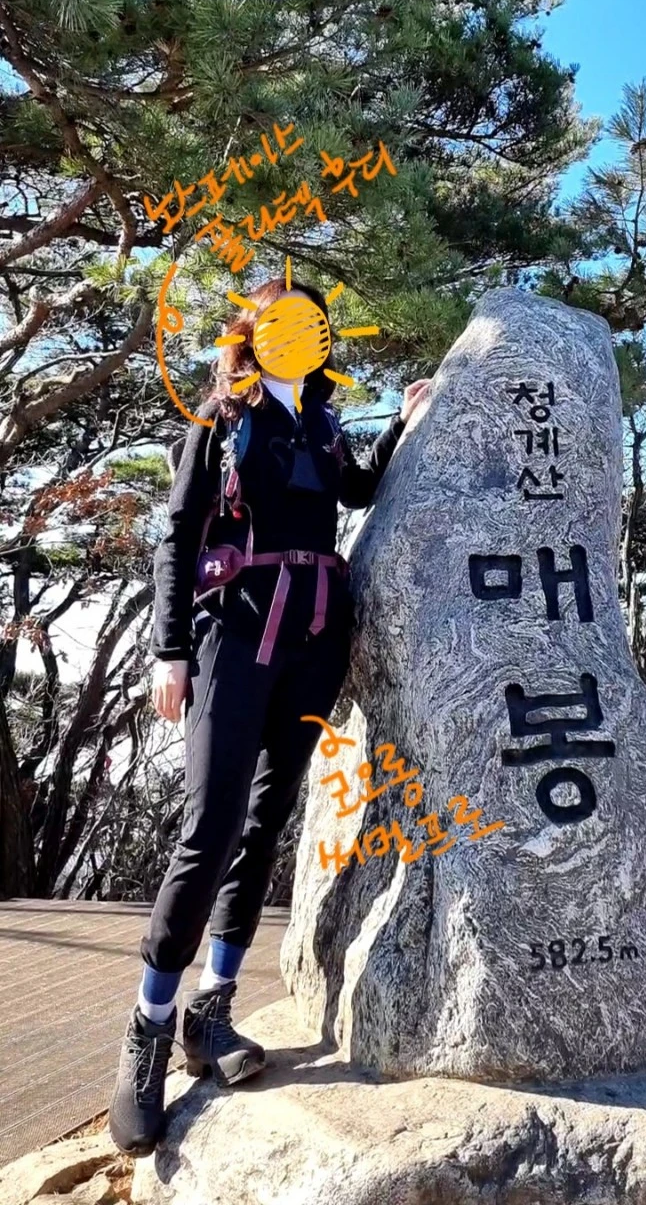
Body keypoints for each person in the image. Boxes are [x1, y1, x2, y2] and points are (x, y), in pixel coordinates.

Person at [108, 277, 429, 1156]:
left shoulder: (322, 422)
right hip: (236, 633)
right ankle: (148, 1026)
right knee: (208, 828)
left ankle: (211, 1012)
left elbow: (355, 491)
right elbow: (179, 535)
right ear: (251, 332)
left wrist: (402, 424)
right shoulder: (219, 419)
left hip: (314, 640)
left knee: (263, 821)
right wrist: (169, 650)